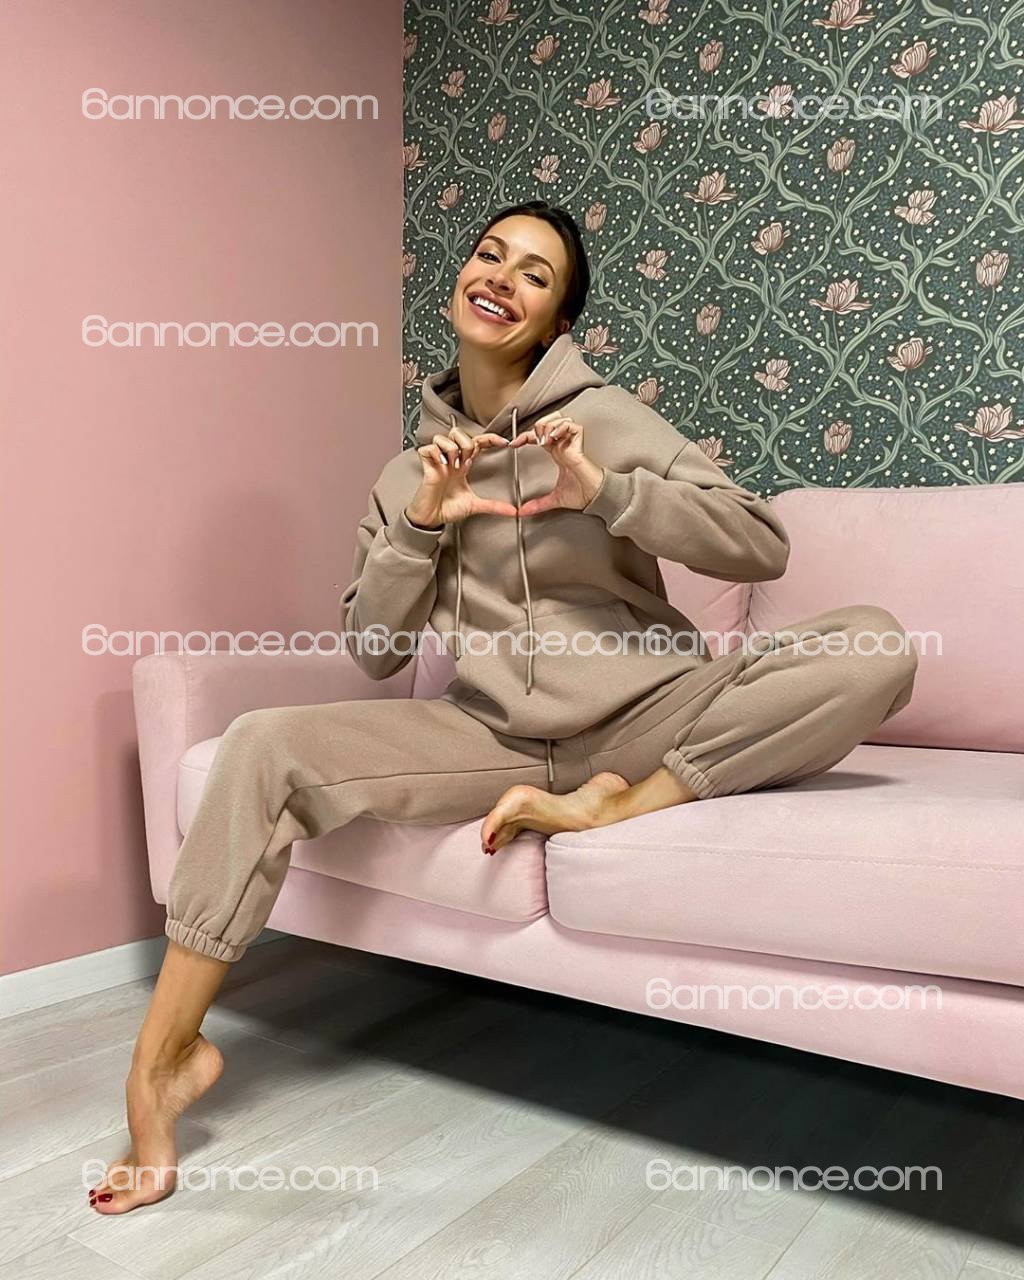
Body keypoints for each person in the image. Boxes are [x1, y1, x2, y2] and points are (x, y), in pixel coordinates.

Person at [87, 200, 918, 1213]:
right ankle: (164, 1062)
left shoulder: (603, 419)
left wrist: (604, 491)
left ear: (557, 319)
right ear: (461, 276)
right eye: (491, 255)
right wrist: (420, 528)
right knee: (258, 744)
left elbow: (760, 543)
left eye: (534, 273)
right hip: (492, 736)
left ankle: (622, 803)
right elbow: (375, 649)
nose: (501, 278)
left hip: (647, 712)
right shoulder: (408, 473)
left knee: (874, 643)